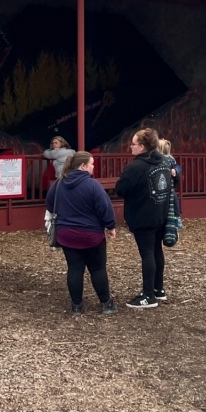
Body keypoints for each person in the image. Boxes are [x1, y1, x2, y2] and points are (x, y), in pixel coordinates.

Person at [46, 152, 118, 316]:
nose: (93, 167)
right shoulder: (93, 185)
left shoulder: (58, 184)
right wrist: (110, 226)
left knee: (74, 269)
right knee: (97, 269)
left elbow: (50, 204)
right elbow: (105, 208)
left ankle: (76, 306)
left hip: (66, 233)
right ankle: (106, 303)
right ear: (83, 166)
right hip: (91, 234)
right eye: (91, 164)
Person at [115, 127, 174, 309]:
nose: (130, 147)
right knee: (156, 251)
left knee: (147, 253)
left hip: (142, 215)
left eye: (133, 144)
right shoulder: (165, 162)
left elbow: (120, 189)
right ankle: (158, 289)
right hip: (161, 213)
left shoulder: (135, 167)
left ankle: (148, 296)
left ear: (141, 146)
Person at [158, 138, 183, 226]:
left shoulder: (170, 159)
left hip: (168, 184)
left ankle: (176, 216)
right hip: (160, 183)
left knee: (173, 197)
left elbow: (178, 167)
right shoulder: (156, 159)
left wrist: (175, 170)